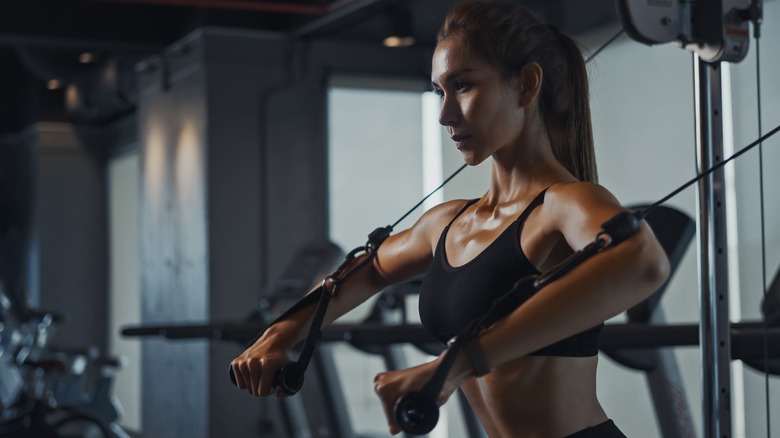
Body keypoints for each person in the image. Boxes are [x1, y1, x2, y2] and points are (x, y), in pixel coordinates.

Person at [231, 0, 670, 436]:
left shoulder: (565, 205)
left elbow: (643, 262)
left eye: (462, 85)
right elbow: (369, 270)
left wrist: (456, 363)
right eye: (440, 91)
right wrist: (281, 333)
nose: (444, 114)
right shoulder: (447, 222)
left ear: (526, 85)